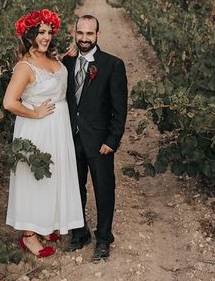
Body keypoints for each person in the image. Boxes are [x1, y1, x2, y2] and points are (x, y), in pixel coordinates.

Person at [4, 9, 84, 257]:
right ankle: (28, 235)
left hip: (58, 127)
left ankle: (45, 224)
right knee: (34, 178)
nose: (46, 37)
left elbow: (61, 77)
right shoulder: (24, 66)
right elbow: (9, 102)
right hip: (36, 127)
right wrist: (36, 113)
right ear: (29, 35)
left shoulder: (54, 60)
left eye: (49, 32)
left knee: (54, 175)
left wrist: (69, 56)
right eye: (40, 32)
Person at [62, 14, 128, 261]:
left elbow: (120, 109)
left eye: (89, 34)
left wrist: (112, 140)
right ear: (74, 33)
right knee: (74, 188)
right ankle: (80, 233)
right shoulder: (66, 63)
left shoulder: (113, 65)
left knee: (104, 189)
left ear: (98, 35)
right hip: (71, 137)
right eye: (80, 33)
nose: (84, 38)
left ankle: (103, 238)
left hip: (99, 142)